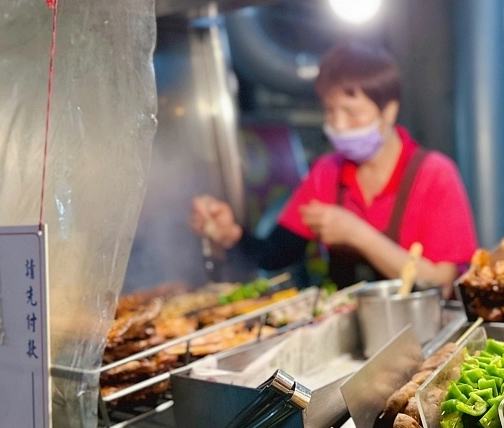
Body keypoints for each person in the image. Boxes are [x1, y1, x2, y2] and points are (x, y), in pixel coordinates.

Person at [191, 41, 478, 289]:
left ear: (389, 111)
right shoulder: (326, 173)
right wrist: (231, 235)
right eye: (330, 111)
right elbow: (275, 255)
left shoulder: (435, 175)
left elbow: (441, 282)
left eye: (352, 113)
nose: (338, 126)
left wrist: (355, 233)